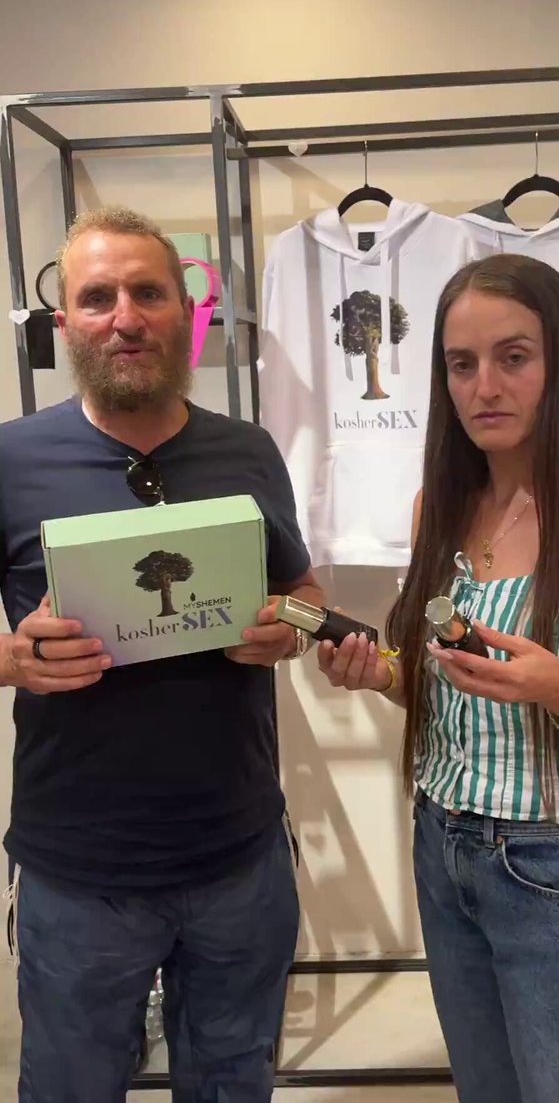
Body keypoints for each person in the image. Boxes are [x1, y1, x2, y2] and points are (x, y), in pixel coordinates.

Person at [318, 252, 559, 1103]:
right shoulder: (437, 509)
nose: (484, 387)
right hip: (444, 850)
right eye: (460, 364)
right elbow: (444, 685)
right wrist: (380, 675)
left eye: (513, 357)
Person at [0, 206, 324, 1103]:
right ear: (65, 322)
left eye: (148, 293)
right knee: (71, 1087)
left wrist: (288, 629)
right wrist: (13, 660)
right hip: (78, 869)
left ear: (187, 312)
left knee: (231, 1082)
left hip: (238, 855)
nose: (125, 318)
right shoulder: (11, 459)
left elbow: (304, 595)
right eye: (96, 298)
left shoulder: (247, 451)